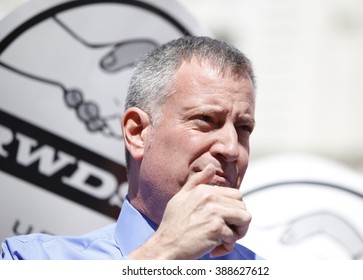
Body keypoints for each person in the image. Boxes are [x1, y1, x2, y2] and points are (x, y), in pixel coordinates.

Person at [1, 36, 260, 260]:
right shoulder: (30, 258)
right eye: (205, 120)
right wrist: (165, 252)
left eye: (243, 128)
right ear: (137, 133)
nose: (231, 148)